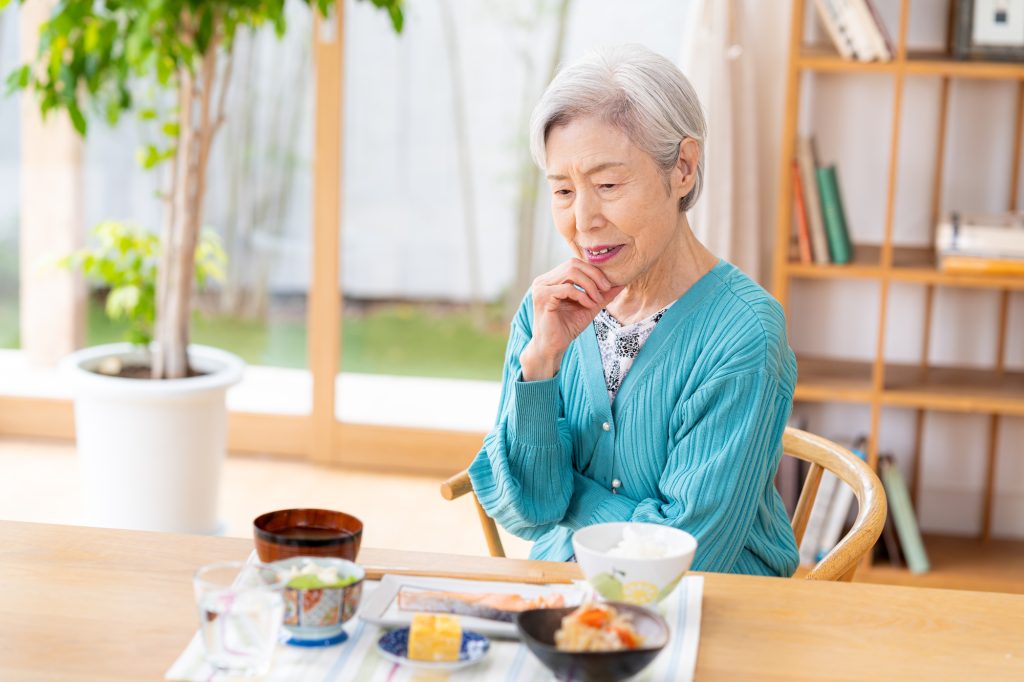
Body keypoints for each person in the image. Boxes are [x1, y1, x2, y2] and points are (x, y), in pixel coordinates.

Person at [468, 44, 799, 576]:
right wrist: (540, 363)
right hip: (570, 595)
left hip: (714, 607)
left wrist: (571, 499)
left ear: (683, 169)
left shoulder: (744, 332)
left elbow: (685, 554)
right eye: (562, 190)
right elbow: (526, 509)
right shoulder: (548, 313)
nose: (583, 219)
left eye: (607, 185)